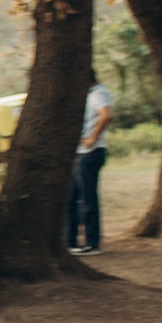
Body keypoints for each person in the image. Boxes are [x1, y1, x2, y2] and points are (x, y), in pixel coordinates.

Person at [66, 78, 115, 255]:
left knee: (87, 199)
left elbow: (107, 114)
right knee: (71, 198)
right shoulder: (86, 94)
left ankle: (92, 243)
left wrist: (93, 137)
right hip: (79, 153)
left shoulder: (98, 93)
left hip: (90, 153)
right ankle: (69, 242)